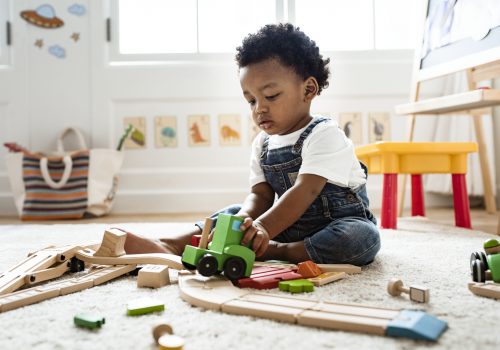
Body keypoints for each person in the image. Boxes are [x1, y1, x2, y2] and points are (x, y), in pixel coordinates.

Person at [124, 23, 380, 265]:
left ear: (308, 90)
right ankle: (172, 244)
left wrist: (263, 228)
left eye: (271, 96)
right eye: (251, 100)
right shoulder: (263, 144)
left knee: (359, 237)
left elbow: (305, 191)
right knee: (233, 213)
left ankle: (280, 252)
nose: (260, 108)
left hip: (333, 226)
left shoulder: (325, 134)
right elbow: (260, 197)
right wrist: (242, 223)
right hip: (283, 226)